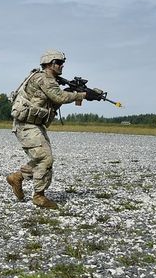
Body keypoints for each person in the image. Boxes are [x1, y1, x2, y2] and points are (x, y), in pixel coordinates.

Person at [6, 49, 97, 208]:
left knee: (41, 157)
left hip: (34, 124)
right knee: (45, 157)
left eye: (62, 63)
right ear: (49, 63)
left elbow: (54, 101)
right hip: (26, 125)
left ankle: (17, 177)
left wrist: (81, 93)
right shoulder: (44, 78)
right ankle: (39, 196)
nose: (62, 66)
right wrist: (81, 95)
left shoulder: (51, 81)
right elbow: (59, 97)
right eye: (58, 63)